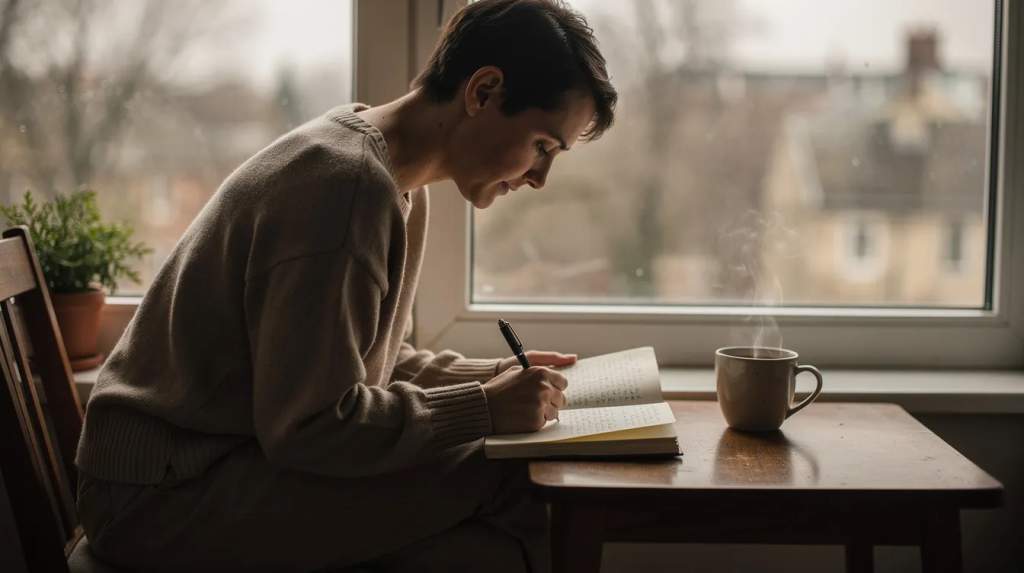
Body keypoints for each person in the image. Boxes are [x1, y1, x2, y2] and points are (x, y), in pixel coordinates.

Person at [74, 0, 617, 571]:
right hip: (160, 493)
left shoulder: (388, 174)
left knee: (491, 512)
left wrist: (494, 378)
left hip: (215, 465)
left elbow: (370, 360)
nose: (539, 178)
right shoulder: (348, 191)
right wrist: (482, 409)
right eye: (542, 145)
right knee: (509, 480)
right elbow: (310, 425)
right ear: (482, 92)